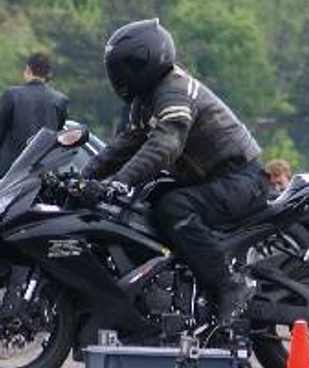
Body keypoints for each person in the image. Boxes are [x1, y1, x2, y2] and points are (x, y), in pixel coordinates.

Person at [86, 19, 266, 329]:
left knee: (174, 208)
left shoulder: (174, 90)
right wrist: (85, 175)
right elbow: (127, 142)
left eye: (124, 67)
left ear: (145, 60)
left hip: (241, 179)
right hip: (214, 180)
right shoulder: (147, 99)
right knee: (147, 200)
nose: (118, 76)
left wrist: (118, 182)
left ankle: (230, 285)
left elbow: (164, 146)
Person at [0, 51, 69, 176]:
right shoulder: (60, 100)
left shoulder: (11, 95)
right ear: (48, 73)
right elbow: (58, 134)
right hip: (44, 173)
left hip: (10, 172)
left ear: (28, 69)